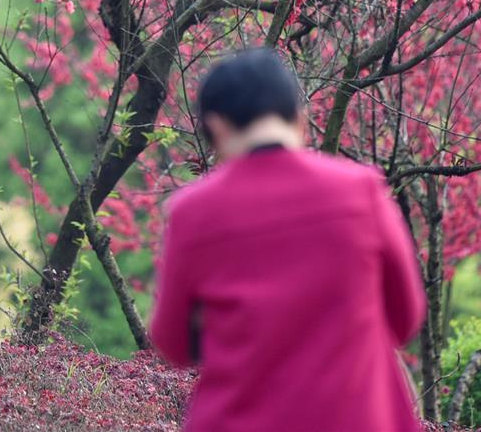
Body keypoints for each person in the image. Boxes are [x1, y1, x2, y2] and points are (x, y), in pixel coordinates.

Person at [148, 47, 426, 431]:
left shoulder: (192, 213)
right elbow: (406, 317)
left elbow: (173, 343)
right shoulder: (360, 190)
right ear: (299, 120)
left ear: (216, 126)